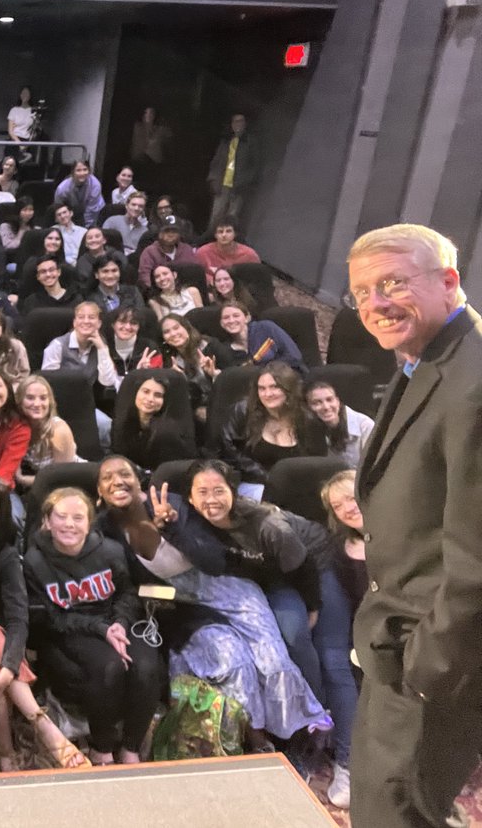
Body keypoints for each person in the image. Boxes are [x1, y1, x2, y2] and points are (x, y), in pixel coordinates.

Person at [343, 223, 482, 828]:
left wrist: (431, 666)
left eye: (394, 282)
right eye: (362, 292)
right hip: (398, 640)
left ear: (448, 282)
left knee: (396, 814)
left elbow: (477, 553)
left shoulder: (474, 383)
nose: (376, 304)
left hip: (431, 656)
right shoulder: (428, 359)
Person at [94, 456, 330, 754]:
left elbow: (215, 561)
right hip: (187, 609)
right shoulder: (105, 529)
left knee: (274, 662)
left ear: (138, 477)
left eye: (124, 473)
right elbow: (131, 584)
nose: (117, 481)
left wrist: (173, 529)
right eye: (107, 477)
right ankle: (255, 738)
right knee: (235, 661)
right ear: (99, 491)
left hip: (230, 589)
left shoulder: (175, 505)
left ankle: (302, 741)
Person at [187, 460, 356, 790]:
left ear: (233, 493)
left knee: (332, 657)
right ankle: (311, 723)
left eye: (219, 491)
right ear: (191, 498)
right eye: (202, 492)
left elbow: (303, 566)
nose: (211, 500)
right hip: (276, 579)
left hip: (313, 568)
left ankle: (347, 761)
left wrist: (312, 607)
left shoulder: (266, 523)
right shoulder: (194, 523)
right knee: (289, 640)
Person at [0, 475, 87, 771]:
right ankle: (44, 728)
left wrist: (5, 672)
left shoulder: (5, 556)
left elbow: (17, 619)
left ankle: (5, 754)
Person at [23, 486, 164, 764]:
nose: (69, 524)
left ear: (89, 523)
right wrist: (102, 630)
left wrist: (120, 625)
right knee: (109, 667)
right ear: (47, 521)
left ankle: (131, 748)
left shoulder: (109, 551)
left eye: (78, 518)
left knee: (146, 666)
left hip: (116, 619)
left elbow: (126, 593)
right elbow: (51, 617)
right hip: (72, 626)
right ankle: (102, 747)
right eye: (61, 517)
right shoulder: (34, 561)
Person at [320, 470, 366, 810]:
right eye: (338, 505)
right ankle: (347, 764)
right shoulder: (339, 550)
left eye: (351, 497)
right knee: (334, 659)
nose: (347, 508)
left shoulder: (404, 536)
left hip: (406, 629)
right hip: (355, 632)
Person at [218, 362, 328, 496]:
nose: (267, 394)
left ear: (289, 389)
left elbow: (317, 464)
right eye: (262, 388)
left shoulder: (308, 421)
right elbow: (229, 452)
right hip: (253, 485)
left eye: (275, 387)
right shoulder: (242, 412)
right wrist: (268, 479)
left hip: (296, 488)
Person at [158, 314, 235, 422]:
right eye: (167, 332)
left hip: (226, 399)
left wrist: (214, 374)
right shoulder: (169, 360)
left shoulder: (211, 346)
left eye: (176, 328)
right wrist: (179, 381)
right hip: (197, 408)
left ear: (186, 327)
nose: (173, 334)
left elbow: (234, 376)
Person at [112, 374, 197, 471]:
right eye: (146, 392)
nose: (150, 399)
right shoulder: (124, 422)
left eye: (158, 395)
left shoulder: (167, 432)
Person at [13, 376, 81, 493]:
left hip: (70, 485)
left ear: (50, 402)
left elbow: (63, 478)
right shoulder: (16, 427)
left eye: (43, 398)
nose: (37, 404)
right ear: (19, 401)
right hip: (40, 486)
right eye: (30, 398)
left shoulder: (59, 431)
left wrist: (23, 479)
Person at [207, 113, 260, 233]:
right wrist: (213, 179)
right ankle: (210, 242)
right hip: (222, 184)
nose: (238, 124)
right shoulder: (226, 142)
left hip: (238, 186)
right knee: (216, 216)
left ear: (245, 124)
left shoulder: (250, 142)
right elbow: (215, 162)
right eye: (235, 121)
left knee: (232, 217)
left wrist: (244, 182)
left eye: (241, 121)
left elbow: (255, 166)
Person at [218, 301, 305, 372]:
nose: (231, 320)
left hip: (291, 377)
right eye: (226, 318)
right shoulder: (227, 350)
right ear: (222, 324)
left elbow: (294, 356)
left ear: (247, 318)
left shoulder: (265, 328)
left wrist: (264, 371)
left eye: (236, 315)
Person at [305, 381, 374, 469]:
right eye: (317, 403)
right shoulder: (308, 429)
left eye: (329, 399)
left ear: (338, 401)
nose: (326, 407)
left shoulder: (365, 425)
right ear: (309, 407)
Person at [137, 220, 200, 293]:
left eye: (174, 231)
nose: (170, 234)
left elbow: (197, 274)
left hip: (188, 293)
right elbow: (145, 279)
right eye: (167, 231)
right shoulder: (149, 252)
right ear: (159, 234)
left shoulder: (187, 249)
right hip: (160, 295)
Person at [104, 305, 159, 380]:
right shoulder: (104, 346)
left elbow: (156, 381)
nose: (127, 327)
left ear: (139, 327)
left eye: (133, 323)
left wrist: (144, 372)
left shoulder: (150, 347)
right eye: (122, 322)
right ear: (113, 324)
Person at [195, 217, 260, 280]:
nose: (224, 235)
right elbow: (196, 274)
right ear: (215, 235)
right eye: (220, 231)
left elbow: (257, 278)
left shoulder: (249, 255)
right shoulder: (203, 252)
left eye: (228, 231)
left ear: (235, 234)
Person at [53, 160, 102, 228]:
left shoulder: (95, 185)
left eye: (85, 169)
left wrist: (86, 229)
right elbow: (58, 208)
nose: (82, 173)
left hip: (94, 211)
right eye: (78, 170)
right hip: (73, 210)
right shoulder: (62, 188)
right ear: (72, 173)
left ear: (89, 171)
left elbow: (91, 211)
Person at [101, 191, 150, 257]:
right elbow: (101, 242)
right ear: (127, 205)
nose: (136, 208)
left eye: (140, 206)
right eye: (133, 204)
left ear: (143, 209)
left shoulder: (145, 231)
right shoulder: (112, 221)